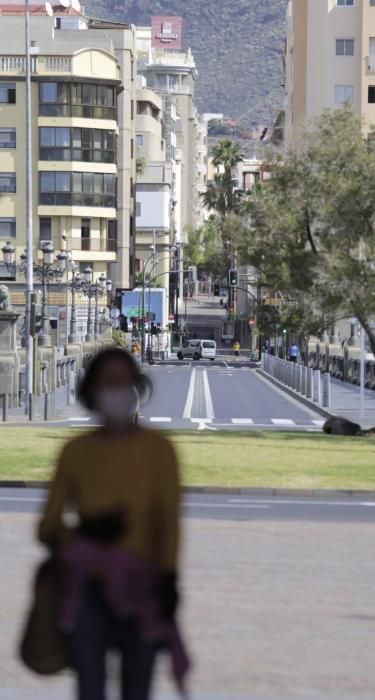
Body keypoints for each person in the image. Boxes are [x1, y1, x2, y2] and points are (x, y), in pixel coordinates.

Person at [37, 348, 188, 700]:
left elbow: (169, 523)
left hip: (145, 587)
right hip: (87, 589)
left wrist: (169, 577)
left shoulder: (159, 450)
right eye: (109, 382)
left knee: (137, 689)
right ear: (92, 391)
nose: (118, 390)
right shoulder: (75, 452)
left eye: (125, 382)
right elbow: (46, 527)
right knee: (90, 689)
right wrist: (84, 532)